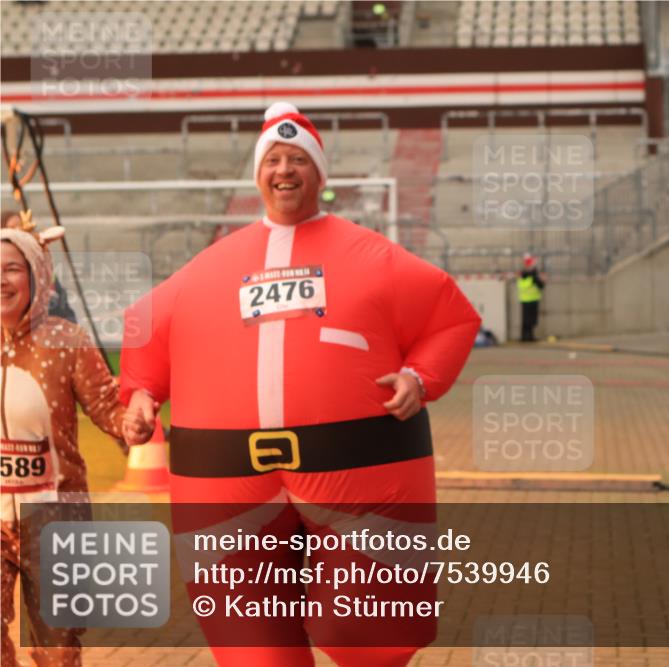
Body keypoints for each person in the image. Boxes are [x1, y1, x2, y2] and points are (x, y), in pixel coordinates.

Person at [120, 102, 480, 667]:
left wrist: (419, 377)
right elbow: (149, 327)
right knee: (252, 642)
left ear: (318, 173)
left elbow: (451, 316)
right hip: (229, 485)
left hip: (355, 471)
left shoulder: (372, 257)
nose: (284, 170)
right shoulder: (213, 266)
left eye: (296, 160)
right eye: (273, 160)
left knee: (363, 635)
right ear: (258, 174)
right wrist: (140, 393)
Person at [1, 224, 135, 667]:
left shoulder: (66, 341)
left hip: (56, 516)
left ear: (36, 276)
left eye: (12, 269)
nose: (2, 280)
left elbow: (107, 406)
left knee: (56, 646)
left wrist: (131, 424)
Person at [3, 210, 77, 323]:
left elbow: (66, 312)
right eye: (12, 229)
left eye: (21, 227)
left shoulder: (43, 271)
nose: (19, 233)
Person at [517, 253, 545, 342]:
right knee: (531, 319)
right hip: (532, 299)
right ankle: (530, 337)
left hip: (524, 299)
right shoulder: (533, 277)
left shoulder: (522, 276)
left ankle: (524, 337)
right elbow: (541, 285)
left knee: (525, 320)